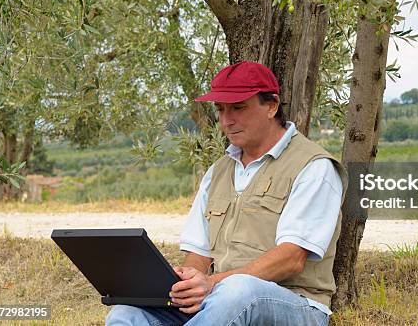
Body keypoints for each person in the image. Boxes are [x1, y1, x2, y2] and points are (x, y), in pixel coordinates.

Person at [106, 61, 347, 325]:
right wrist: (189, 284)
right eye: (220, 109)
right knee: (126, 311)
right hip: (219, 299)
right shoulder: (218, 172)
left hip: (296, 304)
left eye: (238, 107)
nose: (226, 121)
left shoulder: (313, 166)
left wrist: (210, 283)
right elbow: (199, 255)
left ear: (271, 106)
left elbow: (291, 259)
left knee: (238, 291)